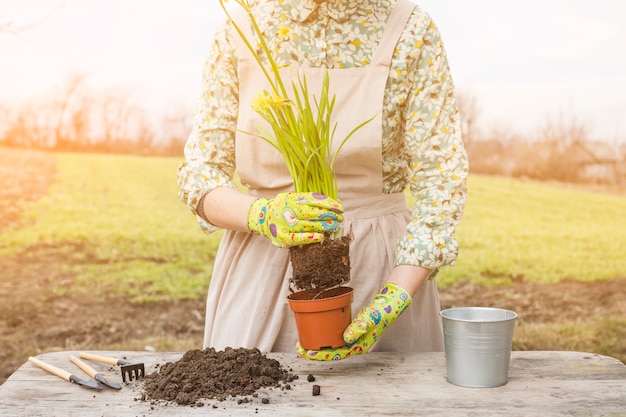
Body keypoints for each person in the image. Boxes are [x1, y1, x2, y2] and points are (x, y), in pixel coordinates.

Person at [177, 0, 468, 360]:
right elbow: (200, 173)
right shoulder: (241, 27)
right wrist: (262, 215)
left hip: (384, 267)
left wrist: (396, 293)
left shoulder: (410, 29)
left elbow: (442, 179)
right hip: (260, 273)